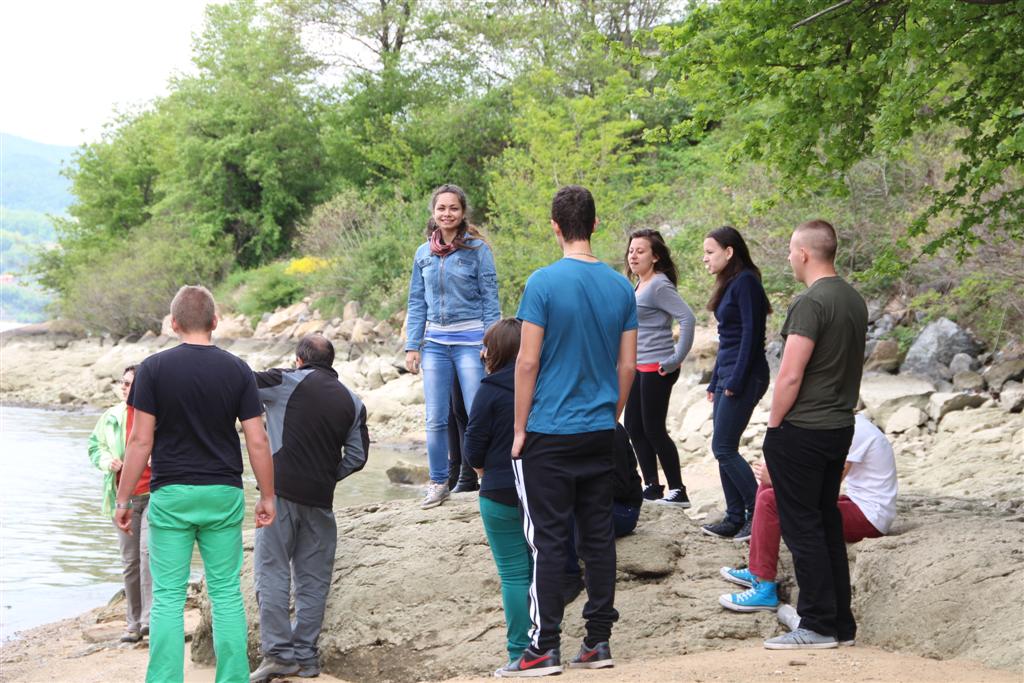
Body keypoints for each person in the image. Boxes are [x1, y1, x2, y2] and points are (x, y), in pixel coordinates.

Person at [502, 185, 637, 677]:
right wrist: (611, 415)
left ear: (555, 227)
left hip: (549, 431)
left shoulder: (542, 282)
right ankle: (598, 642)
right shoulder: (622, 286)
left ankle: (544, 647)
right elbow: (627, 366)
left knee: (548, 540)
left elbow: (527, 361)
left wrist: (519, 428)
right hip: (599, 429)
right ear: (595, 225)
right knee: (597, 538)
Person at [114, 285, 277, 683]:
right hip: (223, 492)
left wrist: (123, 498)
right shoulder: (237, 369)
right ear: (215, 322)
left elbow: (139, 441)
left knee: (168, 596)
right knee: (225, 593)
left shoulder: (152, 369)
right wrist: (268, 495)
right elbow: (257, 439)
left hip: (171, 494)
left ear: (173, 324)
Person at [760, 220, 868, 650]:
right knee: (825, 522)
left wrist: (773, 427)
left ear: (804, 253)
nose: (789, 258)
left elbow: (790, 374)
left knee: (803, 527)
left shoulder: (810, 302)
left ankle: (818, 624)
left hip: (803, 428)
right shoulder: (853, 299)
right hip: (840, 426)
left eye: (791, 250)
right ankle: (840, 623)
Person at [249, 334, 370, 682]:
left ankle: (278, 655)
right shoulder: (353, 401)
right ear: (331, 362)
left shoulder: (285, 380)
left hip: (280, 495)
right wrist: (328, 476)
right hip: (321, 501)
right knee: (313, 581)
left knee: (272, 571)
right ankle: (306, 657)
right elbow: (358, 457)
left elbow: (242, 383)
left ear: (299, 360)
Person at [718, 413, 897, 619]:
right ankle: (757, 570)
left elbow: (826, 486)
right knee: (769, 487)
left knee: (770, 499)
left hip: (869, 518)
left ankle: (765, 590)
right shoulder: (842, 424)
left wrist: (778, 478)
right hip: (856, 503)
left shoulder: (855, 431)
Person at [405, 184, 500, 509]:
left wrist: (491, 342)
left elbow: (490, 299)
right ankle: (438, 482)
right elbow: (416, 301)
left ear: (462, 212)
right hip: (434, 343)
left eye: (453, 208)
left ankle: (489, 478)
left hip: (471, 341)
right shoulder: (423, 253)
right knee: (435, 417)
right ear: (434, 212)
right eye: (441, 208)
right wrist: (412, 345)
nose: (447, 214)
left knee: (476, 413)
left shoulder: (478, 250)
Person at [463, 318, 531, 675]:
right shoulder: (544, 384)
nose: (482, 352)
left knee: (514, 574)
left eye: (486, 346)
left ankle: (520, 652)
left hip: (500, 489)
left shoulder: (489, 390)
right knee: (541, 569)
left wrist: (481, 472)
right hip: (542, 489)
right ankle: (546, 645)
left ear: (497, 352)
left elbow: (473, 447)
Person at [700, 226, 772, 542]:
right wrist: (714, 380)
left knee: (724, 447)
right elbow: (726, 339)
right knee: (722, 448)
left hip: (746, 375)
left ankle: (758, 513)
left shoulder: (746, 283)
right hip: (728, 374)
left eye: (710, 252)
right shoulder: (729, 283)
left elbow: (751, 337)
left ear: (729, 252)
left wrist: (736, 380)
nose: (705, 258)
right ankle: (733, 517)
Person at [624, 228, 696, 506]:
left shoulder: (659, 285)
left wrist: (675, 359)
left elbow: (687, 319)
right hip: (638, 366)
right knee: (634, 426)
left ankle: (678, 490)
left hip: (658, 367)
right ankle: (652, 486)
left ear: (655, 257)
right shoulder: (640, 284)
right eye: (631, 250)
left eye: (640, 251)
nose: (633, 256)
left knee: (653, 429)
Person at [88, 363, 152, 644]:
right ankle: (133, 624)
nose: (125, 388)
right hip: (122, 499)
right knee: (130, 562)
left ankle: (150, 621)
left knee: (149, 557)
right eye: (123, 383)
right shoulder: (111, 416)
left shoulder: (156, 414)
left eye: (131, 384)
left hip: (154, 495)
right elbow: (94, 447)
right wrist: (107, 462)